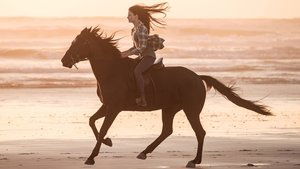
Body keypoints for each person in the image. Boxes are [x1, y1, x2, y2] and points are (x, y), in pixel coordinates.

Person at [121, 2, 168, 107]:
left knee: (137, 71)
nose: (127, 17)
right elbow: (135, 46)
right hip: (142, 56)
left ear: (136, 16)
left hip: (148, 57)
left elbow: (142, 47)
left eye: (130, 15)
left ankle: (143, 98)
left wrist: (128, 54)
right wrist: (123, 53)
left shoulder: (142, 29)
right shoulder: (133, 30)